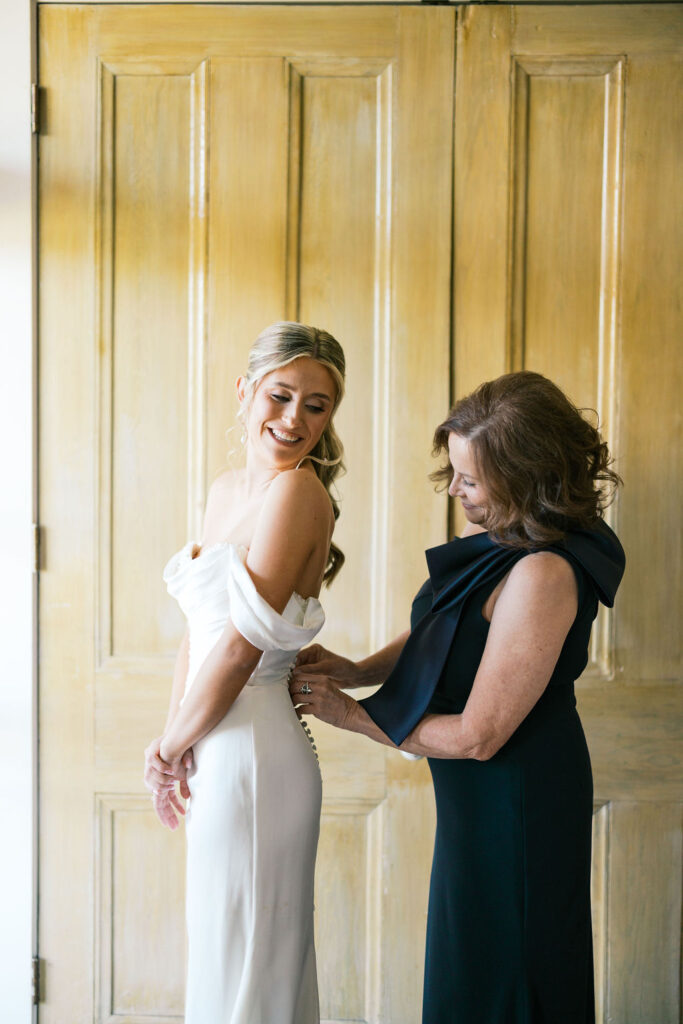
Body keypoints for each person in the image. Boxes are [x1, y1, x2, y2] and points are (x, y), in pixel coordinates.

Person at [290, 370, 625, 1024]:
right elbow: (444, 628)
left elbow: (478, 736)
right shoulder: (503, 540)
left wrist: (351, 715)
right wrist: (358, 669)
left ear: (527, 479)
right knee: (470, 964)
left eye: (470, 481)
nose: (455, 492)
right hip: (477, 804)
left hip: (516, 797)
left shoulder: (543, 572)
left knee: (510, 969)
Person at [143, 321, 346, 1024]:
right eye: (280, 395)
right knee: (223, 948)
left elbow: (237, 651)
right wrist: (174, 742)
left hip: (257, 753)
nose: (294, 419)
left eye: (316, 405)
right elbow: (196, 641)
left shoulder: (296, 494)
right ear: (244, 392)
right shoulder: (226, 488)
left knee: (254, 959)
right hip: (212, 742)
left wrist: (170, 749)